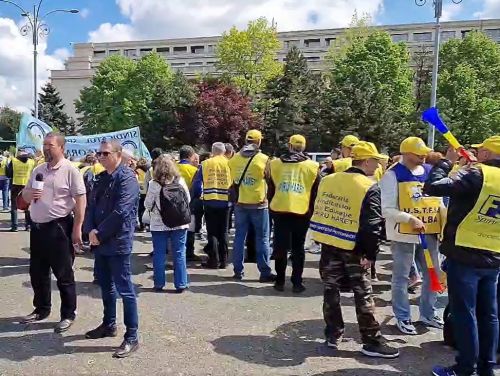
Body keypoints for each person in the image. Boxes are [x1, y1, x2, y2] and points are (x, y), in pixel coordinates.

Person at [310, 141, 399, 358]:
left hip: (329, 243)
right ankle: (371, 341)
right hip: (354, 248)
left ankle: (332, 333)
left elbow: (318, 206)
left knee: (331, 290)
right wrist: (370, 254)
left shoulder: (328, 180)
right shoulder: (368, 186)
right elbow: (371, 225)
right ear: (366, 161)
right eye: (376, 161)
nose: (378, 165)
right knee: (363, 293)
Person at [425, 136, 500, 376]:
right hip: (494, 255)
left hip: (465, 254)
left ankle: (466, 368)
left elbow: (433, 187)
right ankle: (487, 367)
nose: (477, 154)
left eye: (480, 151)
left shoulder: (477, 174)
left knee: (465, 313)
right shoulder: (480, 174)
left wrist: (446, 163)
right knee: (489, 315)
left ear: (487, 154)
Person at [20, 132, 86, 334]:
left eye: (50, 145)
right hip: (38, 229)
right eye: (44, 144)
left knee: (63, 274)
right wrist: (28, 194)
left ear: (61, 148)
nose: (46, 148)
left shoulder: (70, 171)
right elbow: (24, 194)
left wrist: (77, 228)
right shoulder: (38, 169)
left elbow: (81, 200)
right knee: (37, 273)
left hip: (59, 228)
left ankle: (68, 314)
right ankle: (41, 308)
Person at [380, 137, 444, 335]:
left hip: (430, 233)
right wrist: (409, 219)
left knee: (433, 274)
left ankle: (428, 313)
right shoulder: (392, 175)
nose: (424, 156)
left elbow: (437, 201)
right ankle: (403, 316)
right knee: (401, 277)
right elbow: (387, 209)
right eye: (419, 154)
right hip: (403, 235)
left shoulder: (429, 171)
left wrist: (443, 221)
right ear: (407, 154)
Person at [84, 140, 140, 358]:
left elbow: (122, 211)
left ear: (118, 155)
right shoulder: (101, 177)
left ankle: (132, 336)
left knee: (125, 289)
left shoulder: (127, 179)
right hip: (100, 242)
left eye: (105, 153)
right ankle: (109, 325)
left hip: (117, 242)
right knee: (105, 286)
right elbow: (91, 206)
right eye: (99, 153)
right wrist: (89, 230)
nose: (100, 157)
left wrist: (99, 233)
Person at [268, 135, 320, 293]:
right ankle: (297, 282)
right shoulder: (313, 166)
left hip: (279, 209)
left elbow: (270, 187)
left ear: (289, 146)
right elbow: (316, 191)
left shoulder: (275, 163)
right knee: (298, 248)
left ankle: (279, 281)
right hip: (302, 211)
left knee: (280, 246)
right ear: (304, 147)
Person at [228, 130, 275, 282]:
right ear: (259, 142)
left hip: (240, 203)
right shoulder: (263, 159)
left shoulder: (234, 159)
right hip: (259, 204)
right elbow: (269, 179)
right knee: (262, 239)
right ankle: (264, 272)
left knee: (239, 238)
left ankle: (237, 271)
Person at [145, 154, 190, 293]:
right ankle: (181, 283)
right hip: (179, 223)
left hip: (159, 224)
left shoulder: (154, 184)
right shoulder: (180, 180)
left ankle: (159, 284)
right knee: (179, 253)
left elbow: (147, 204)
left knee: (159, 254)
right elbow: (187, 199)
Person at [192, 143, 231, 269]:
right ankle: (224, 260)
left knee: (212, 232)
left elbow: (197, 185)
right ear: (224, 152)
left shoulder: (205, 164)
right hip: (225, 201)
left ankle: (213, 260)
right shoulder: (229, 163)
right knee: (223, 231)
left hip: (209, 201)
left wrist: (199, 196)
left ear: (213, 151)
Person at [178, 145, 202, 262]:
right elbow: (197, 190)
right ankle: (189, 253)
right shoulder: (194, 170)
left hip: (174, 203)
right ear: (189, 156)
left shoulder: (173, 168)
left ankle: (177, 251)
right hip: (190, 203)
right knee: (190, 229)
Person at [6, 149, 35, 231]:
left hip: (16, 184)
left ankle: (15, 226)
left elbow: (8, 173)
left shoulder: (14, 161)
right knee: (28, 206)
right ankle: (28, 226)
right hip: (27, 185)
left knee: (14, 206)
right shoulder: (31, 162)